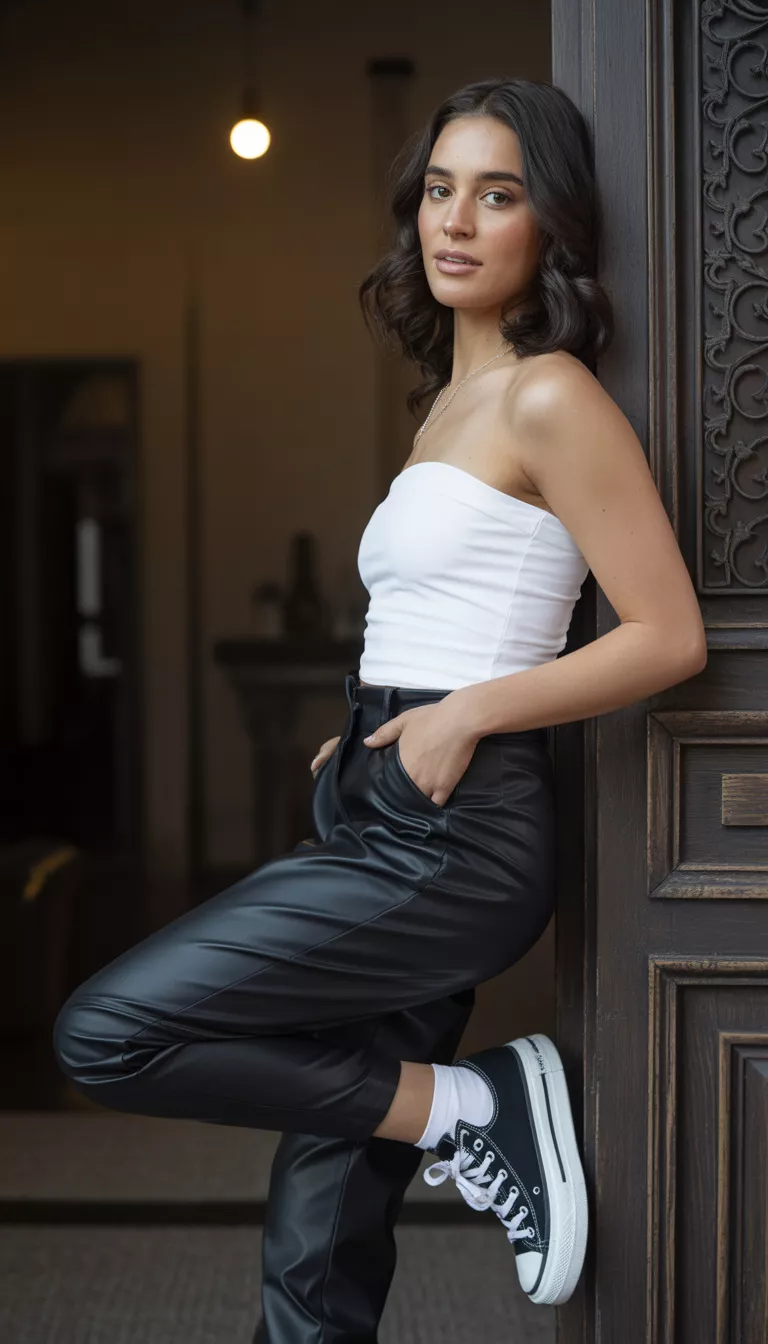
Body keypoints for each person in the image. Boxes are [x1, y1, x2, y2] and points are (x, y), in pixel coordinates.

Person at [53, 75, 707, 1341]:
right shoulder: (447, 410)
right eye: (440, 189)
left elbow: (669, 633)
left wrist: (465, 715)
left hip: (458, 831)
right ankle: (431, 1137)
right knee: (322, 1211)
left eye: (499, 194)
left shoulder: (548, 395)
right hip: (383, 794)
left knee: (108, 1032)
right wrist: (367, 726)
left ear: (550, 225)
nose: (455, 220)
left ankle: (478, 1111)